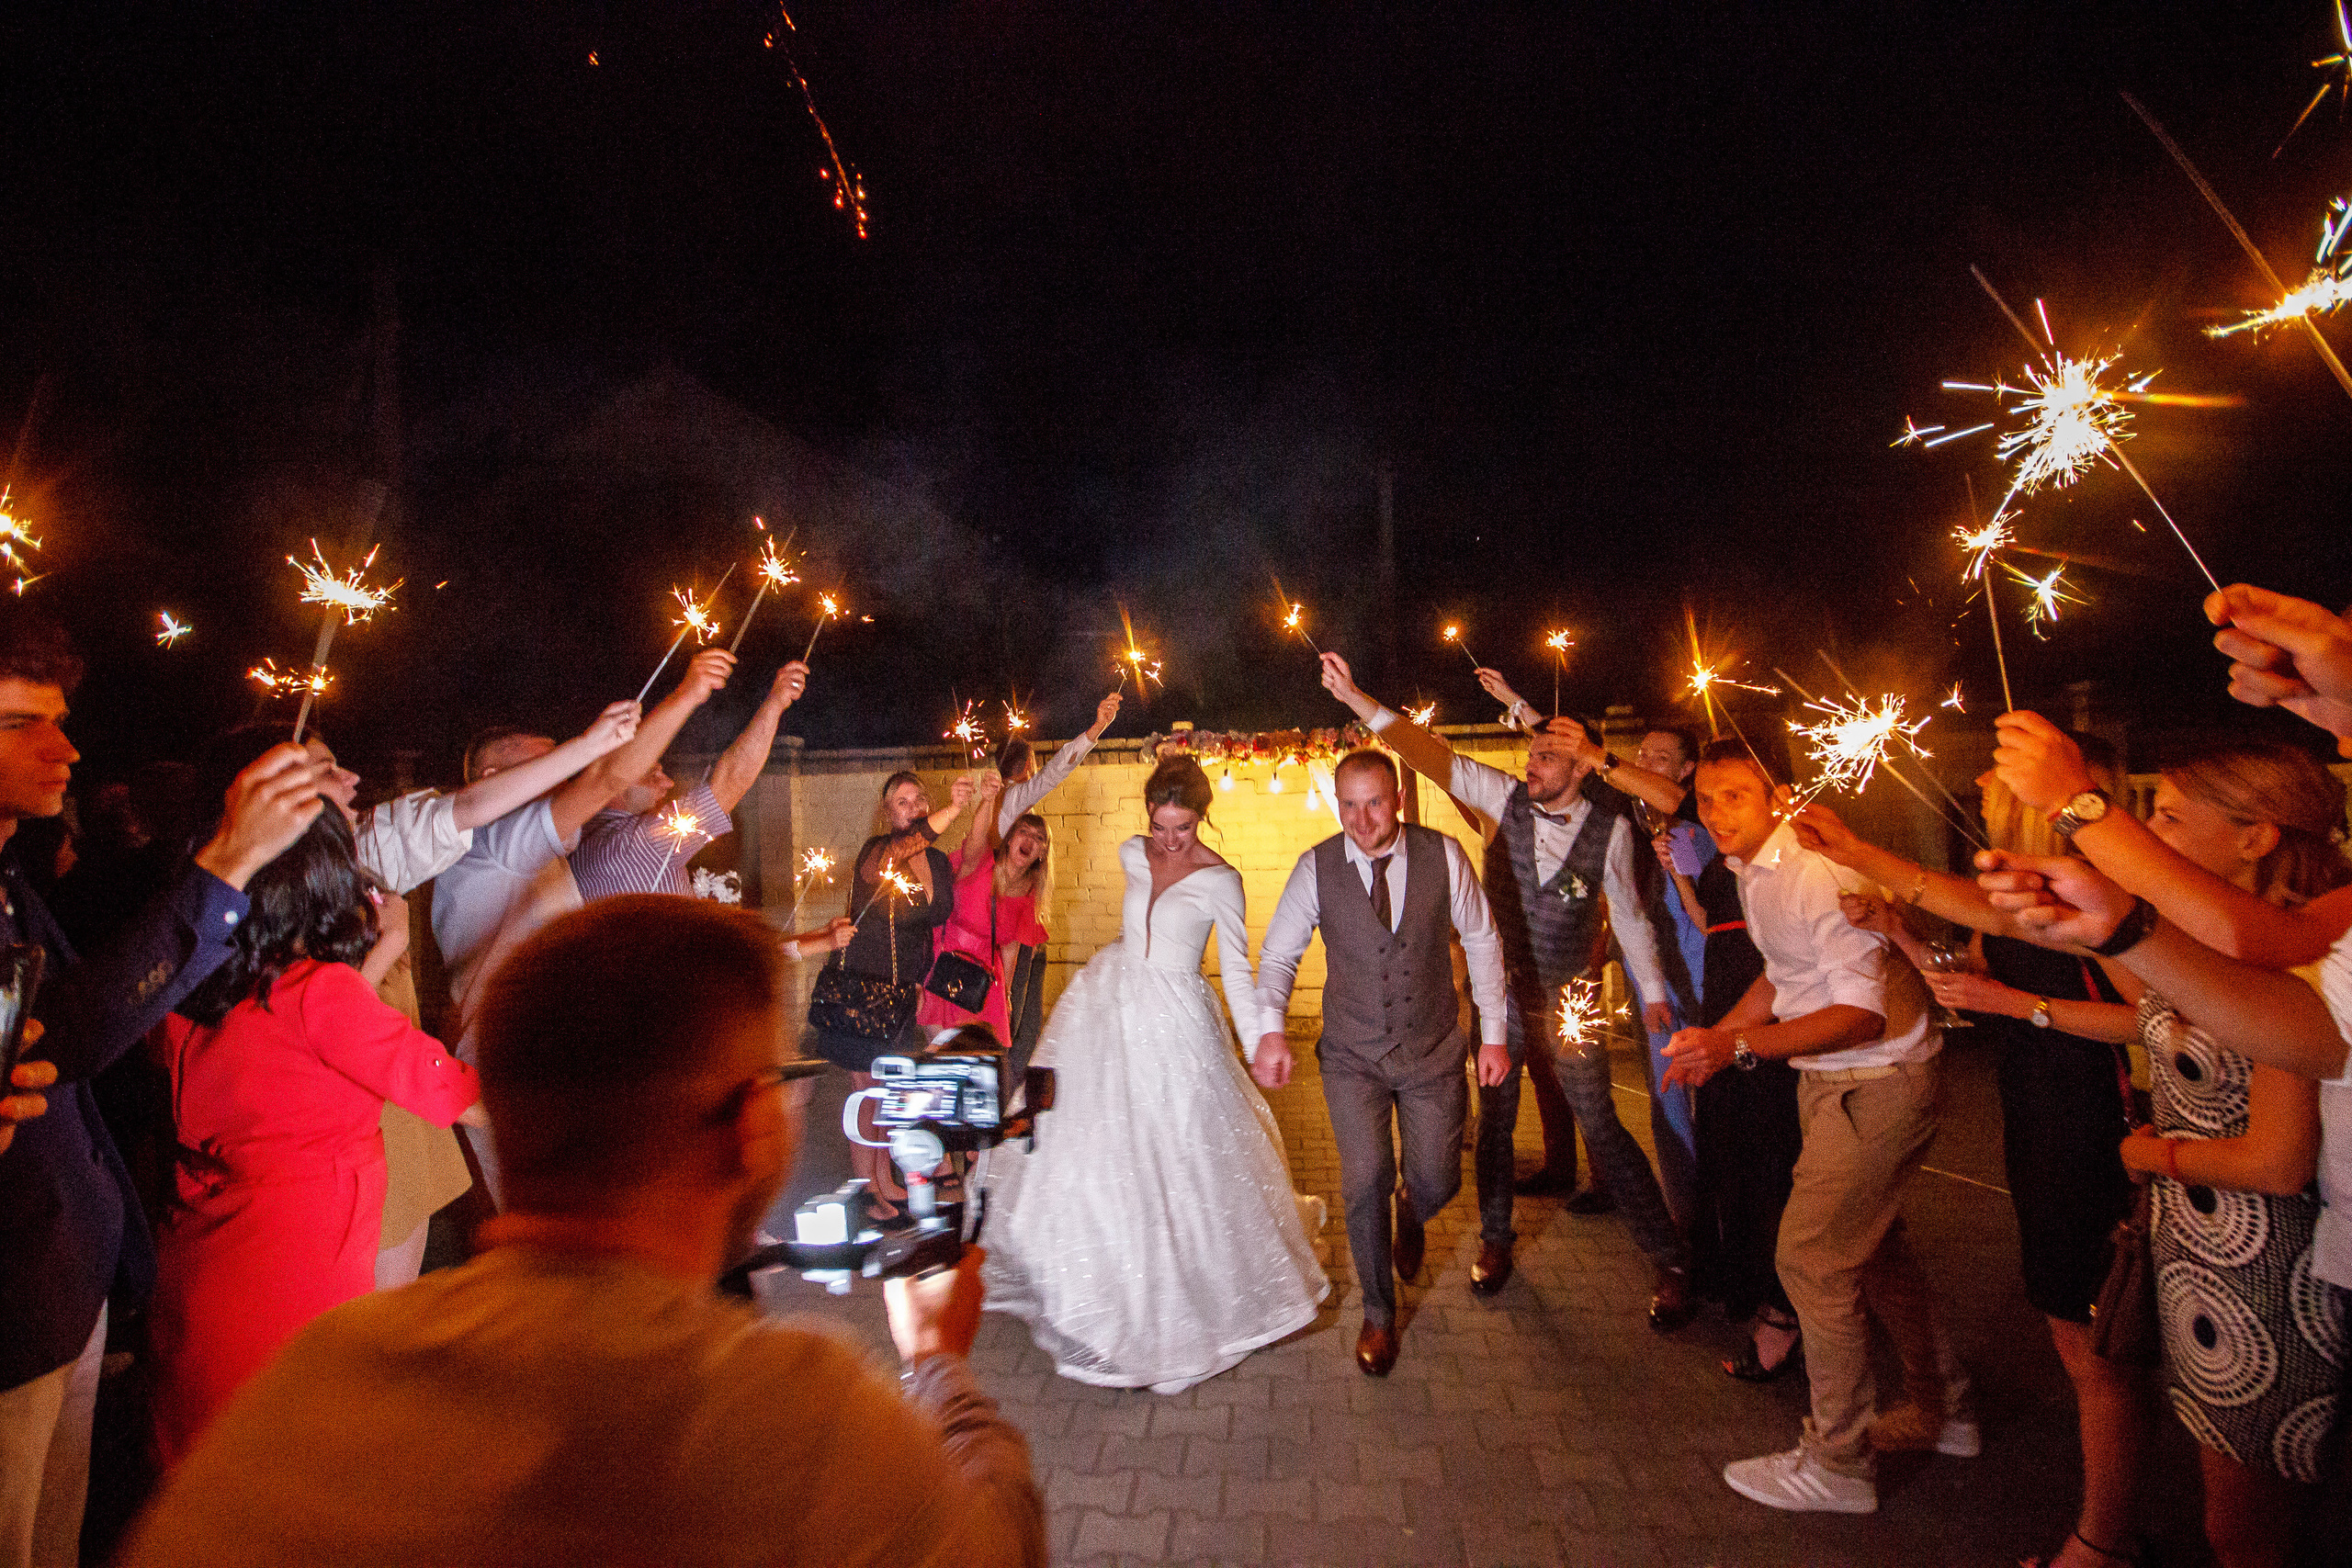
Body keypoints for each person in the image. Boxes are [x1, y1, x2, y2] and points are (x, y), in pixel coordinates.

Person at [117, 896, 1045, 1567]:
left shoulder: (318, 1375)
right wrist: (940, 1368)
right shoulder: (800, 1415)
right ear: (752, 1126)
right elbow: (995, 1547)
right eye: (775, 1080)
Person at [0, 600, 323, 1568]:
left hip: (62, 1284)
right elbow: (70, 1040)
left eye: (61, 720)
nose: (65, 749)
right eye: (19, 723)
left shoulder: (11, 884)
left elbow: (56, 1039)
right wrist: (228, 860)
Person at [1985, 717, 2349, 1568]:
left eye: (2171, 816)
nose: (2150, 830)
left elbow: (2278, 1158)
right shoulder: (2228, 941)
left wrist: (2150, 1155)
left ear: (2257, 837)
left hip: (2266, 1265)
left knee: (2247, 1531)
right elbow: (2142, 984)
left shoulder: (2294, 950)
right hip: (2207, 1249)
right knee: (2236, 1506)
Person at [1795, 753, 2142, 1567]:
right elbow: (1966, 982)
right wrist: (1900, 933)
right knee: (2069, 1325)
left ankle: (2102, 1540)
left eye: (1996, 773)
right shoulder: (2012, 899)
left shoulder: (2102, 896)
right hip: (2034, 1107)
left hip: (2088, 1116)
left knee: (2094, 1343)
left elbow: (2153, 1018)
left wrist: (2024, 1006)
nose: (1981, 782)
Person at [1318, 653, 1695, 1323]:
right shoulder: (1503, 797)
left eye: (1547, 755)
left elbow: (1632, 916)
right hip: (1503, 998)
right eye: (1532, 751)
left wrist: (1657, 990)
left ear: (1582, 766)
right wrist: (1357, 700)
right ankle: (1495, 1240)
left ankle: (1669, 1258)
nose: (1531, 762)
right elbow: (1432, 756)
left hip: (1573, 1002)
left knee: (1602, 1122)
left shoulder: (1610, 832)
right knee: (1495, 1120)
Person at [1662, 741, 1972, 1517]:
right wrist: (1714, 1042)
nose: (1716, 813)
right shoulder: (1755, 869)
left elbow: (1861, 1012)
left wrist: (1739, 1047)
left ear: (1780, 796)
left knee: (1809, 1258)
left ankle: (1840, 1461)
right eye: (1707, 798)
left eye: (1736, 795)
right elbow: (1785, 972)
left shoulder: (1815, 870)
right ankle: (1947, 1407)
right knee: (1876, 1251)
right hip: (1837, 1079)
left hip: (1877, 1079)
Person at [146, 800, 484, 1469]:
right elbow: (456, 1093)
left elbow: (302, 1025)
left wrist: (383, 951)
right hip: (296, 1270)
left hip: (206, 1262)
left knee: (203, 1471)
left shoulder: (195, 978)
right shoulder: (321, 993)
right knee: (292, 1466)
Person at [980, 756, 1328, 1392]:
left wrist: (1261, 1041)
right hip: (1110, 1004)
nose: (1170, 840)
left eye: (1183, 827)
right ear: (1147, 815)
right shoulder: (1130, 853)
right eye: (1160, 825)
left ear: (1202, 817)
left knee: (1178, 1153)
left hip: (1177, 1020)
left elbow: (1238, 971)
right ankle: (1101, 1286)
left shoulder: (1222, 879)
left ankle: (1182, 1296)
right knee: (1094, 1146)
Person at [294, 706, 638, 1288]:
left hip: (407, 1110)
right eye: (327, 768)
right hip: (357, 1121)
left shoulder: (366, 853)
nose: (352, 777)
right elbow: (332, 1023)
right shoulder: (265, 910)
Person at [433, 648, 734, 1203]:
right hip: (516, 1077)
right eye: (548, 764)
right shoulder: (495, 839)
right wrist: (687, 693)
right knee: (551, 1230)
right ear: (493, 779)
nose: (565, 773)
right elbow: (606, 777)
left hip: (549, 1069)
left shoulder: (529, 844)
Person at [1253, 748, 1509, 1372]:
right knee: (1365, 1177)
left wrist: (1494, 1036)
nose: (1362, 819)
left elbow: (1482, 938)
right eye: (1349, 805)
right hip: (1352, 1055)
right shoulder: (1316, 867)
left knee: (1439, 1179)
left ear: (1396, 799)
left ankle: (1412, 1206)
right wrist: (1270, 1031)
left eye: (1374, 803)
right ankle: (1378, 1313)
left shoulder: (1443, 854)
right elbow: (1279, 954)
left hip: (1432, 1051)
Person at [809, 769, 974, 1216]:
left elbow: (925, 928)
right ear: (886, 812)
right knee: (866, 1089)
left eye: (920, 799)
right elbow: (903, 848)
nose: (914, 806)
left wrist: (919, 981)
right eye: (903, 801)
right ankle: (866, 1191)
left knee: (885, 1089)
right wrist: (954, 809)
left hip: (900, 989)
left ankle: (883, 1180)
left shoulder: (936, 862)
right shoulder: (877, 853)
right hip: (860, 985)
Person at [570, 660, 809, 900]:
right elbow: (732, 779)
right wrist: (776, 702)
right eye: (652, 775)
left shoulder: (582, 842)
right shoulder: (641, 843)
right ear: (619, 781)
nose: (668, 783)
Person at [990, 690, 1121, 1064]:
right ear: (1025, 767)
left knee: (1025, 1021)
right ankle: (1011, 1086)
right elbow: (1055, 773)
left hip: (1022, 922)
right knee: (1015, 1021)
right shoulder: (1013, 797)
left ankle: (1018, 1083)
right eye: (1033, 767)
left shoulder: (995, 805)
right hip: (1013, 927)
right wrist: (1096, 729)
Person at [917, 782, 1052, 1053]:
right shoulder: (981, 863)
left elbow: (1010, 949)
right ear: (1010, 839)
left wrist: (1007, 994)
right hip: (944, 962)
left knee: (979, 1057)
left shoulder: (1029, 896)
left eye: (1039, 838)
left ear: (1042, 853)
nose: (1029, 840)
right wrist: (988, 800)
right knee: (941, 1053)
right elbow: (977, 836)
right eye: (1023, 831)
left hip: (983, 980)